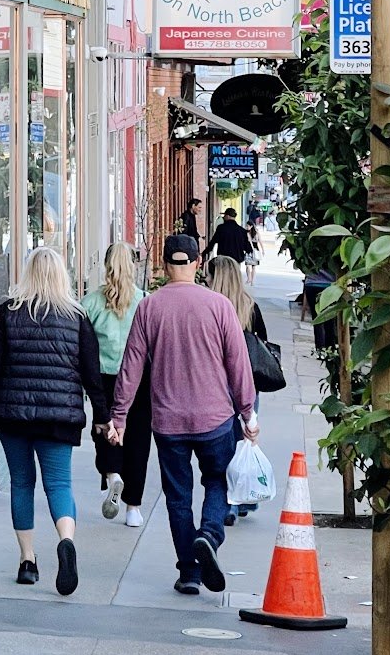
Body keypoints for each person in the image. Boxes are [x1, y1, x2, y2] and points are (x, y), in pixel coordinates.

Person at [109, 234, 256, 596]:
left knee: (177, 496)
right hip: (215, 419)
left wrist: (120, 418)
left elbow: (131, 368)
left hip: (169, 422)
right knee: (217, 482)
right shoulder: (220, 306)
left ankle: (189, 572)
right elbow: (238, 365)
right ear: (196, 264)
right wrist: (248, 412)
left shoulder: (149, 307)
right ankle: (208, 534)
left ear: (163, 265)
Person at [0, 246, 108, 596]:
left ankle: (27, 561)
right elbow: (92, 373)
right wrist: (104, 416)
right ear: (61, 276)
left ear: (27, 274)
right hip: (59, 417)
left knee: (22, 484)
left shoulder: (9, 313)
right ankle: (66, 540)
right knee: (59, 485)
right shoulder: (77, 317)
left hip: (13, 417)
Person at [83, 243, 150, 527]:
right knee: (137, 439)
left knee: (105, 429)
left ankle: (113, 475)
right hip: (138, 379)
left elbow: (83, 346)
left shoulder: (91, 302)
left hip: (104, 378)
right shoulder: (145, 301)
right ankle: (133, 508)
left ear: (106, 264)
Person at [206, 254, 268, 524]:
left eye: (207, 276)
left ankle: (230, 504)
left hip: (217, 385)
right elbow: (263, 342)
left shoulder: (208, 308)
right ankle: (244, 500)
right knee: (246, 441)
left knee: (224, 447)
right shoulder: (249, 307)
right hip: (247, 384)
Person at [244, 217, 263, 286]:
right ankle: (251, 280)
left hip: (250, 251)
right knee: (253, 266)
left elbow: (250, 242)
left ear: (251, 226)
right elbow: (260, 241)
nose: (246, 227)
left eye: (247, 226)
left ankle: (249, 279)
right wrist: (262, 250)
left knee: (248, 265)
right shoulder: (257, 233)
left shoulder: (247, 233)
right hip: (256, 250)